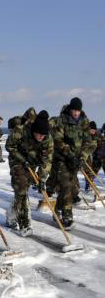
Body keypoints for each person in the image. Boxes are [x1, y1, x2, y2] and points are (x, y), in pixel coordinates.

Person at [51, 97, 96, 228]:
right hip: (62, 159)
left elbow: (87, 141)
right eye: (74, 110)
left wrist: (82, 157)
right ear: (70, 109)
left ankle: (58, 209)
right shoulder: (62, 120)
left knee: (70, 186)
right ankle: (66, 214)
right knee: (66, 186)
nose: (76, 113)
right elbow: (58, 141)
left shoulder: (84, 122)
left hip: (76, 160)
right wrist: (70, 155)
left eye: (78, 110)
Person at [5, 113, 53, 235]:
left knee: (22, 191)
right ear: (33, 131)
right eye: (39, 134)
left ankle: (11, 213)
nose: (41, 137)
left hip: (32, 164)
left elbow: (46, 161)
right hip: (17, 161)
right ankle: (24, 224)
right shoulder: (21, 131)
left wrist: (42, 179)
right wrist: (22, 159)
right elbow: (9, 146)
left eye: (44, 135)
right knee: (21, 188)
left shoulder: (47, 140)